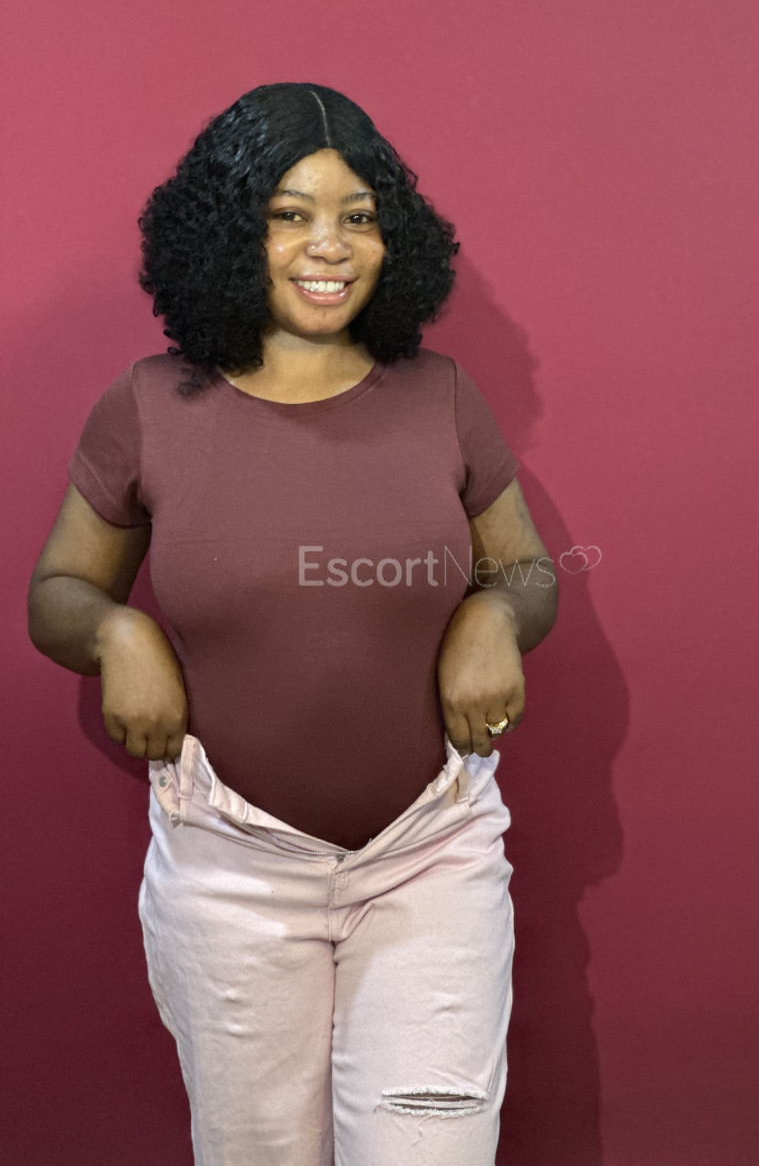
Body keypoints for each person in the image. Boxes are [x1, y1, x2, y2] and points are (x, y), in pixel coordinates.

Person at [27, 82, 557, 1166]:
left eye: (358, 216)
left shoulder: (441, 395)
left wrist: (497, 613)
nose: (329, 245)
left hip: (431, 855)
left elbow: (530, 573)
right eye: (288, 214)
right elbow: (59, 591)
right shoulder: (149, 405)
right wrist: (120, 636)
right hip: (229, 868)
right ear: (229, 230)